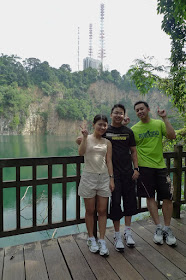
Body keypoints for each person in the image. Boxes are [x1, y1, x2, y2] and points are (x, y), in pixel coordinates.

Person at [77, 104, 139, 252]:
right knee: (98, 208)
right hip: (97, 177)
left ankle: (117, 235)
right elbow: (83, 146)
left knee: (115, 207)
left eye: (121, 113)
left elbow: (131, 153)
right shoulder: (104, 133)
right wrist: (83, 137)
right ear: (111, 115)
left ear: (124, 115)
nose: (103, 127)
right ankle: (98, 238)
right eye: (116, 113)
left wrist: (135, 168)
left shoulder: (123, 134)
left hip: (116, 175)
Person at [131, 101, 177, 246]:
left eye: (142, 109)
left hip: (160, 166)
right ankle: (158, 228)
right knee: (150, 197)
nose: (140, 112)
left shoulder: (158, 124)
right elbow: (131, 150)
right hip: (144, 168)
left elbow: (172, 136)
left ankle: (167, 228)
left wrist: (165, 118)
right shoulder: (134, 129)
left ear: (148, 109)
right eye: (137, 110)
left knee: (168, 197)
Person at [78, 114, 115, 256]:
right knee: (90, 210)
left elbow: (109, 161)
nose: (102, 127)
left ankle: (102, 239)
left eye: (105, 125)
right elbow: (81, 152)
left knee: (102, 210)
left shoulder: (107, 142)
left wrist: (111, 178)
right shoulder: (86, 138)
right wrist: (85, 138)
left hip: (104, 177)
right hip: (88, 177)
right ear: (94, 125)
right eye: (100, 124)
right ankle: (91, 238)